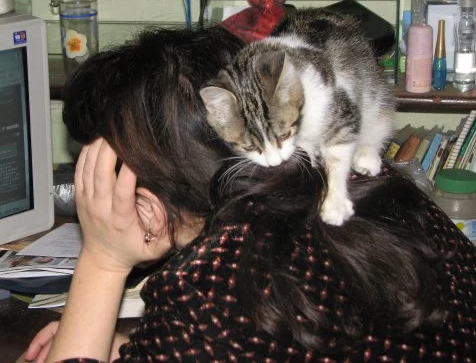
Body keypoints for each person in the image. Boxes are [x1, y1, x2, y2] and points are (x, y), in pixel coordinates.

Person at [25, 25, 475, 362]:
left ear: (129, 182)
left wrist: (102, 262)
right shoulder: (374, 186)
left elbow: (220, 328)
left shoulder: (205, 294)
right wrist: (135, 345)